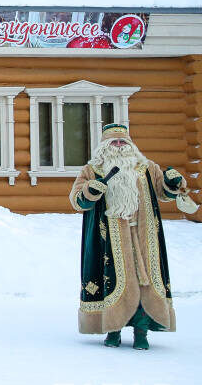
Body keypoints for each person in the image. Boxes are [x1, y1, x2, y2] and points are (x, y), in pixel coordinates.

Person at [71, 123, 194, 350]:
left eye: (123, 142)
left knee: (143, 280)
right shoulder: (93, 170)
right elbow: (78, 200)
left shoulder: (146, 168)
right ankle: (113, 330)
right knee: (112, 279)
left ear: (130, 145)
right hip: (108, 238)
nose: (119, 146)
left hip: (143, 235)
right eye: (114, 142)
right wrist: (90, 190)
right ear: (105, 146)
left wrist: (172, 183)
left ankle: (141, 332)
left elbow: (163, 192)